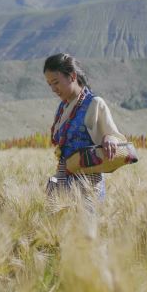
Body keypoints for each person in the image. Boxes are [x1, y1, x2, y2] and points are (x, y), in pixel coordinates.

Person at [43, 53, 126, 201]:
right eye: (49, 84)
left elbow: (113, 136)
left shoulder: (94, 103)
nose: (53, 89)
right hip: (63, 185)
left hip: (87, 188)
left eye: (56, 82)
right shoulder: (62, 107)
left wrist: (109, 138)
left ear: (72, 76)